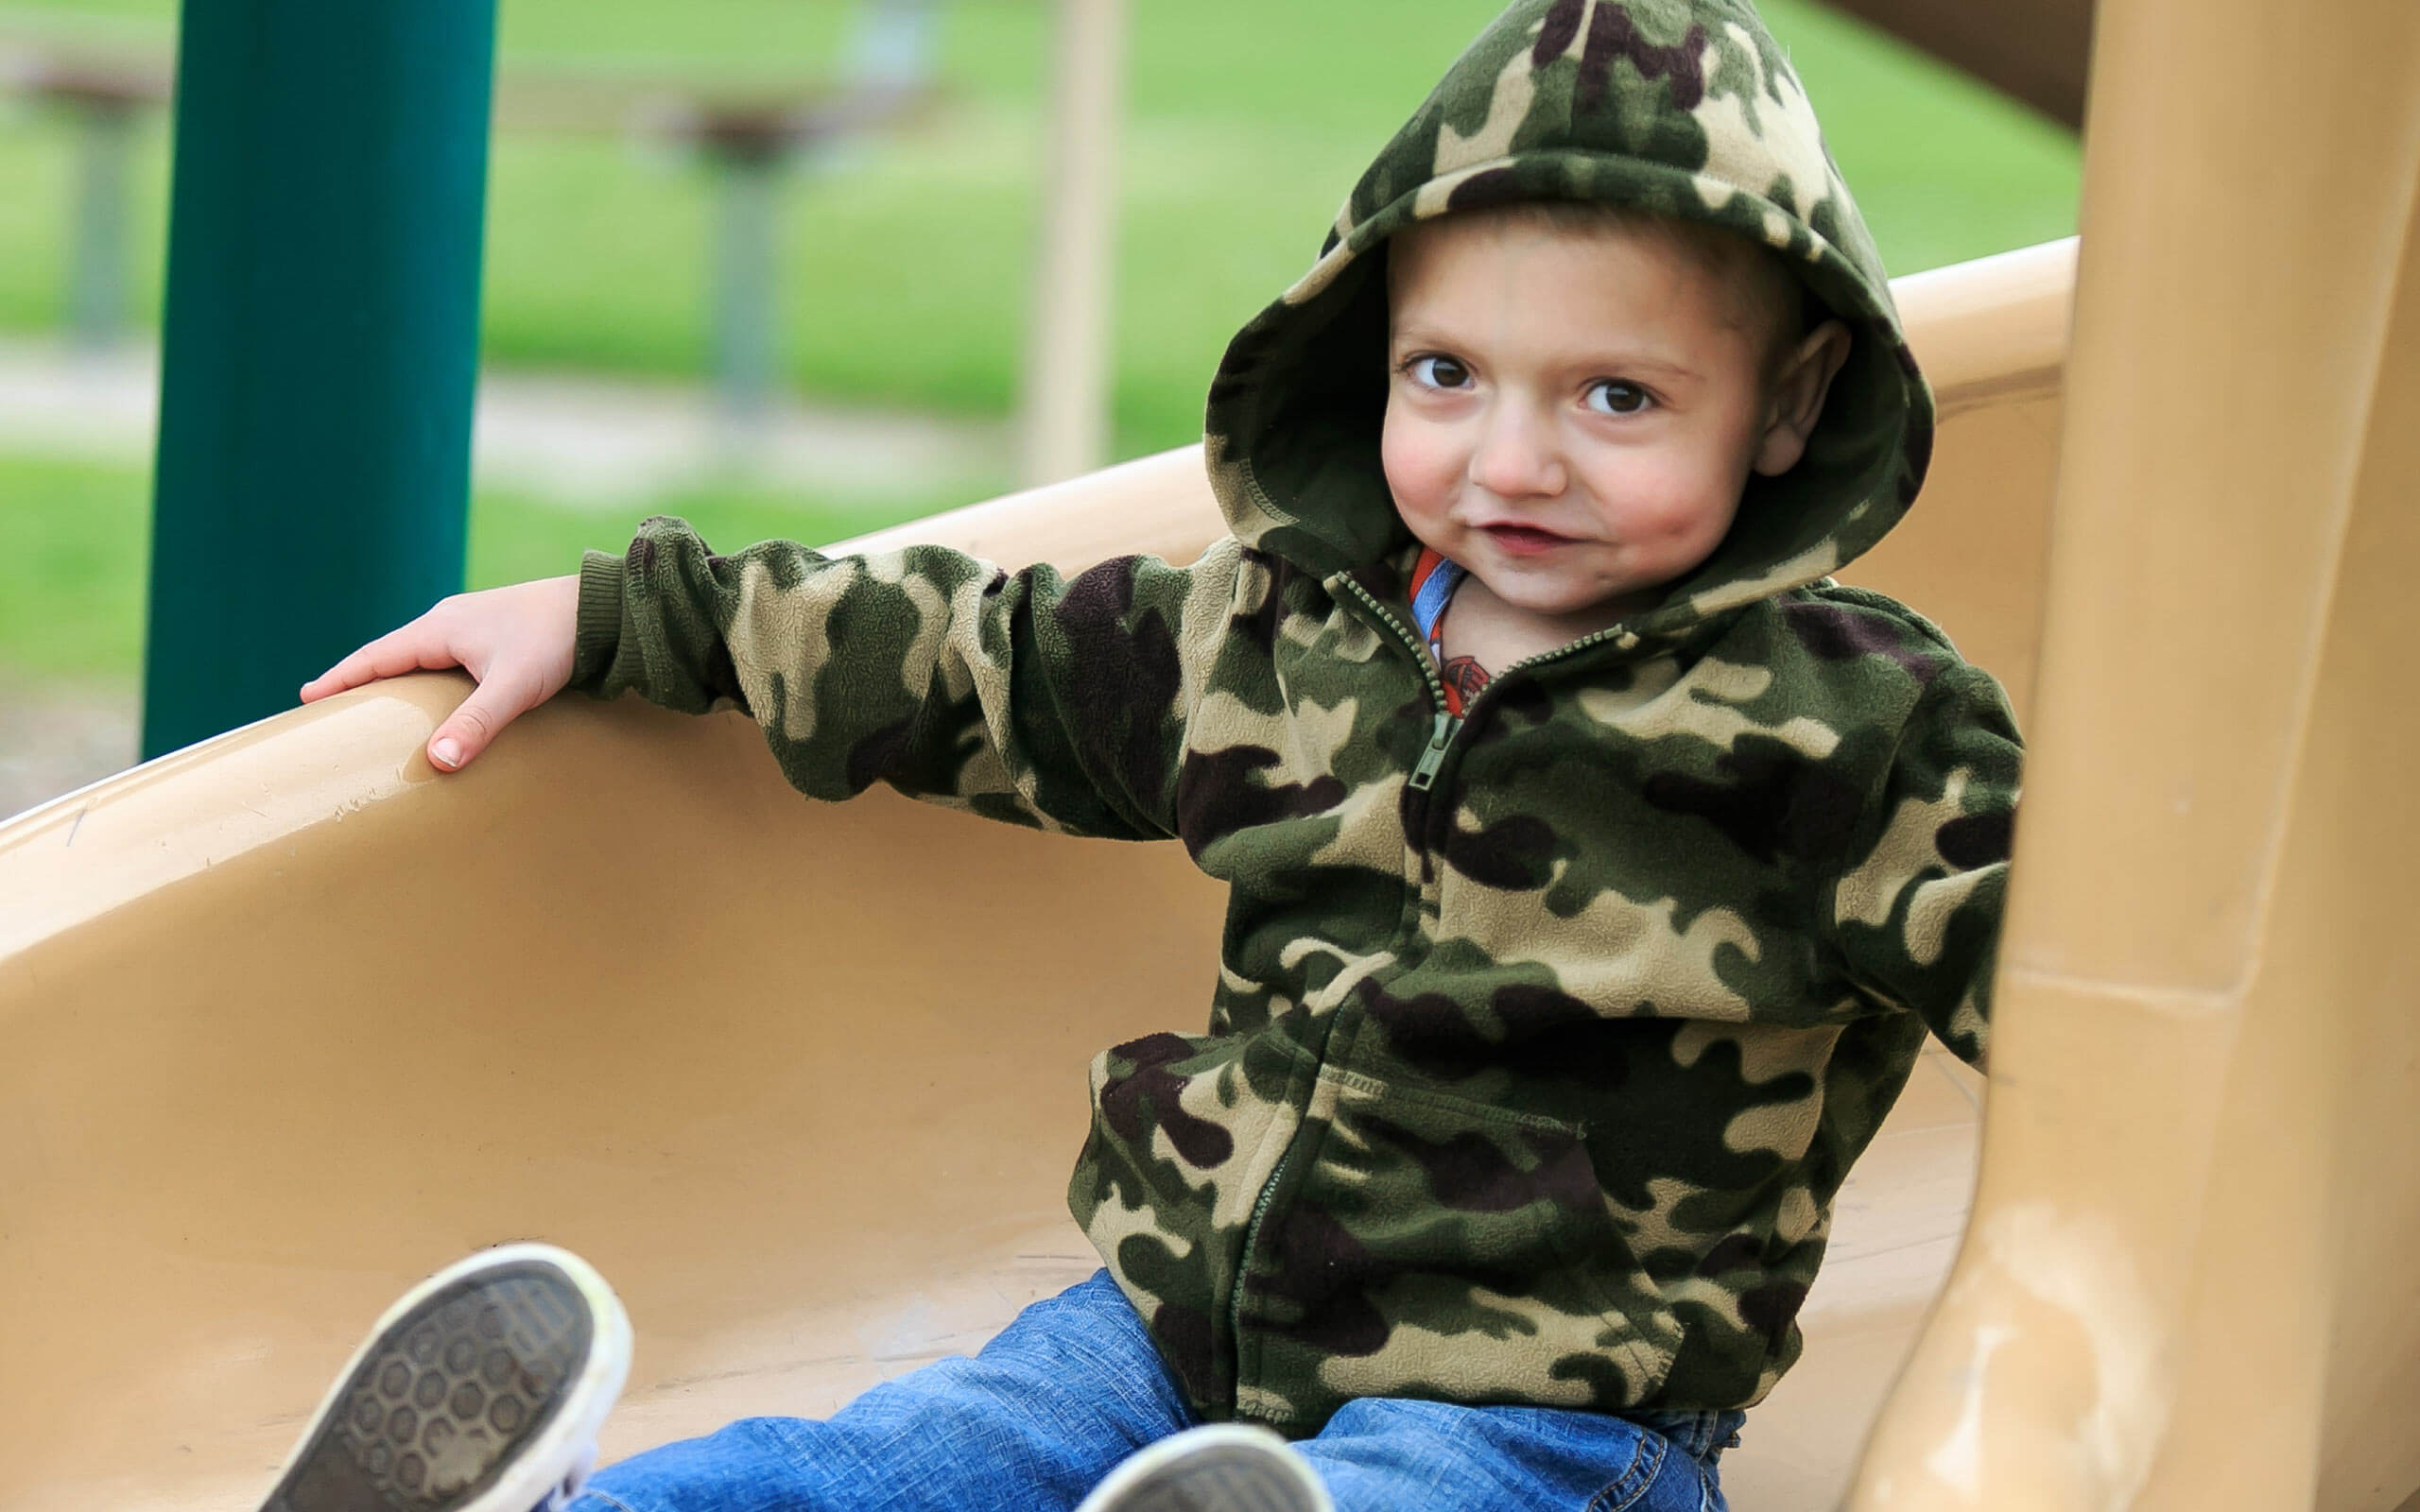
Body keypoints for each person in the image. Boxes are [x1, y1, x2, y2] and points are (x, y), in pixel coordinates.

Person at [274, 1, 2022, 1508]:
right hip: (1179, 1330)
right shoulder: (1280, 624)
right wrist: (624, 620)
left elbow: (2108, 990)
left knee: (1410, 1501)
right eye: (1448, 374)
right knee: (919, 1461)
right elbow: (980, 660)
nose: (1515, 460)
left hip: (1549, 1427)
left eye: (1615, 398)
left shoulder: (1853, 729)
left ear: (1790, 405)